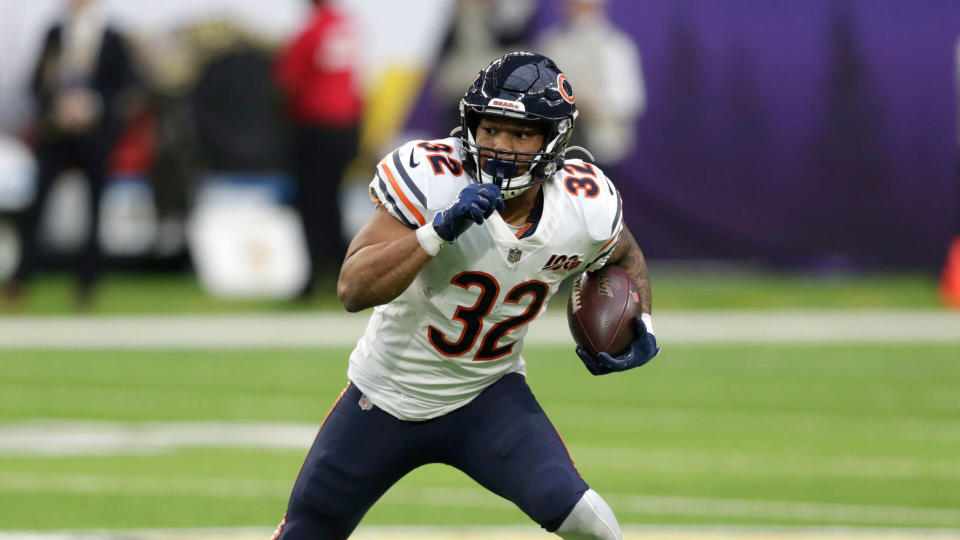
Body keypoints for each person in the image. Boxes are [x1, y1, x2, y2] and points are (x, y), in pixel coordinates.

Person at [272, 52, 659, 539]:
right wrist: (434, 233)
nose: (500, 146)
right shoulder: (433, 178)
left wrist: (639, 320)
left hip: (488, 396)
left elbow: (622, 252)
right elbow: (352, 288)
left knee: (590, 523)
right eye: (491, 129)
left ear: (553, 139)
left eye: (520, 134)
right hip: (385, 395)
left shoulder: (583, 204)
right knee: (306, 533)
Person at [3, 0, 136, 307]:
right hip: (57, 133)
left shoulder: (113, 36)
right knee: (35, 207)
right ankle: (21, 279)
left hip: (95, 135)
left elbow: (125, 85)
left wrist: (93, 105)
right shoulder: (54, 33)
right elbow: (38, 83)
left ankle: (87, 284)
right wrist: (59, 106)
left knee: (94, 209)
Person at [274, 0, 363, 298]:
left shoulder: (309, 31)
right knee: (332, 201)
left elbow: (288, 81)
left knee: (312, 203)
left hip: (315, 125)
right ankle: (340, 268)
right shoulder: (345, 25)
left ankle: (315, 272)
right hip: (347, 123)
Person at [538, 0, 646, 174]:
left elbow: (630, 99)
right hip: (556, 144)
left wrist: (592, 104)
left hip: (599, 145)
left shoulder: (616, 46)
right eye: (574, 5)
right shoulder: (553, 43)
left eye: (585, 7)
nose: (579, 12)